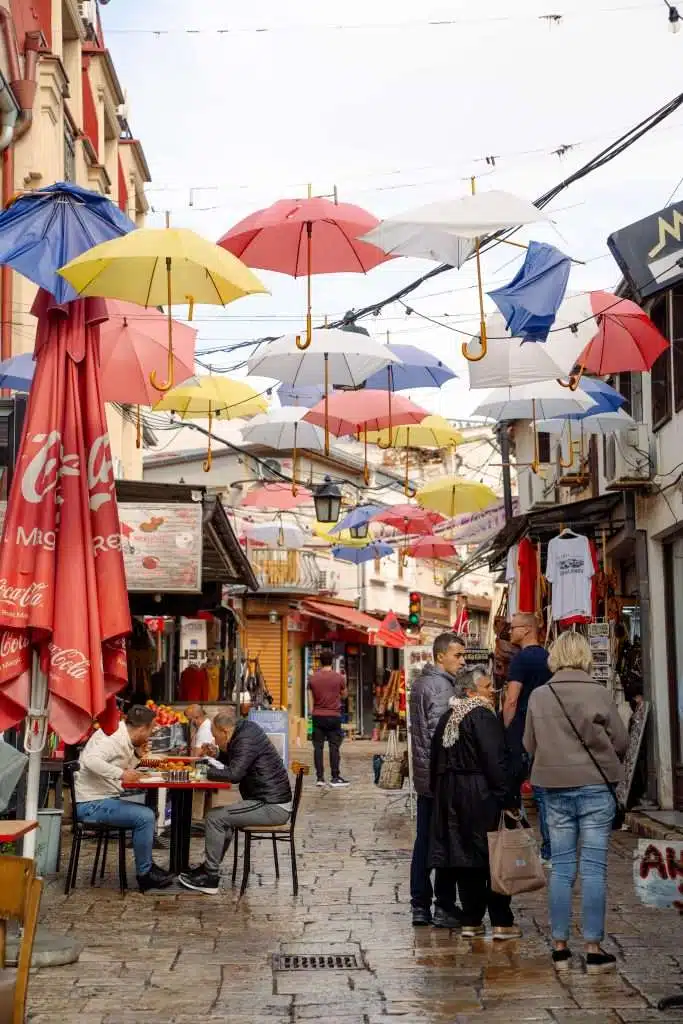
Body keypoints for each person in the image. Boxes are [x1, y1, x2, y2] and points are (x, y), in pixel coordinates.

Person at [523, 631, 628, 974]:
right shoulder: (597, 692)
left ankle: (559, 945)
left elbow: (528, 743)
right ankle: (594, 948)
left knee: (563, 868)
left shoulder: (539, 695)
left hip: (552, 788)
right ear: (584, 656)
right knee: (594, 868)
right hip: (596, 787)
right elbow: (623, 741)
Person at [430, 665, 522, 941]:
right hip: (479, 794)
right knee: (493, 856)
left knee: (464, 858)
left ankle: (471, 919)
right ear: (470, 691)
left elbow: (435, 760)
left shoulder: (449, 717)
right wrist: (508, 798)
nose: (492, 691)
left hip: (451, 795)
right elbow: (495, 761)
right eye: (486, 687)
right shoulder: (482, 716)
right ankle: (501, 920)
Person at [178, 710, 293, 895]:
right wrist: (216, 754)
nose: (215, 741)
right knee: (222, 818)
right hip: (267, 800)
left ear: (225, 731)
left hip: (271, 805)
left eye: (216, 737)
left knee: (215, 817)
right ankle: (209, 868)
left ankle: (210, 878)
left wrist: (201, 772)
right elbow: (237, 762)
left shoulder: (245, 737)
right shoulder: (244, 733)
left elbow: (234, 774)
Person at [75, 705, 174, 893]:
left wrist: (137, 755)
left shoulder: (124, 737)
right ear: (142, 728)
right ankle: (145, 875)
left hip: (104, 798)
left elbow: (123, 764)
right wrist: (121, 774)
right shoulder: (113, 738)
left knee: (148, 813)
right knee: (144, 816)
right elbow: (91, 761)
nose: (151, 734)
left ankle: (148, 867)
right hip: (91, 804)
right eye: (151, 729)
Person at [409, 631, 466, 928]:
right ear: (440, 655)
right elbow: (444, 736)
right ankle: (443, 904)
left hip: (424, 776)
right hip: (440, 779)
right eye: (457, 655)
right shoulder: (442, 688)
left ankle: (419, 904)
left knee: (424, 841)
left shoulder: (420, 683)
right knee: (445, 842)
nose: (462, 661)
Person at [504, 612, 552, 863]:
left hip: (522, 729)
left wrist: (505, 729)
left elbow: (512, 699)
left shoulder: (520, 660)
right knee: (542, 791)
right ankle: (549, 850)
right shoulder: (549, 658)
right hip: (546, 730)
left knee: (511, 789)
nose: (510, 632)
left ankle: (518, 847)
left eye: (513, 628)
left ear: (526, 630)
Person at [308, 649, 349, 788]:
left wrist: (311, 716)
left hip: (317, 716)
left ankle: (320, 778)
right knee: (334, 747)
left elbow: (310, 701)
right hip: (334, 716)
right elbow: (344, 695)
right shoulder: (339, 678)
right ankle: (335, 776)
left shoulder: (312, 678)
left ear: (320, 661)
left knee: (318, 747)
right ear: (332, 661)